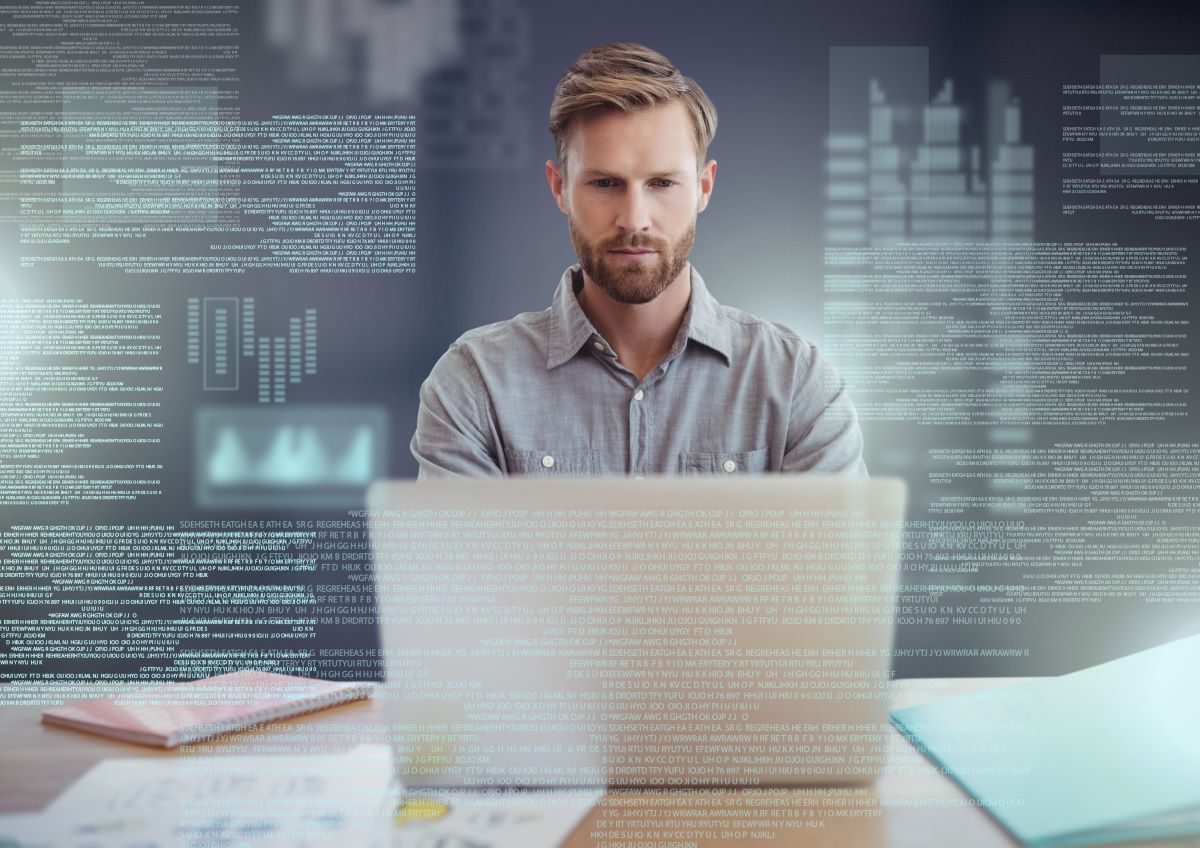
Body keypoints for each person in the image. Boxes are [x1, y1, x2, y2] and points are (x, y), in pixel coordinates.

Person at [411, 42, 866, 478]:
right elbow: (460, 561)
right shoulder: (475, 384)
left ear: (704, 188)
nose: (634, 219)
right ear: (559, 188)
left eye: (662, 184)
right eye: (605, 183)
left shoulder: (796, 385)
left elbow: (839, 559)